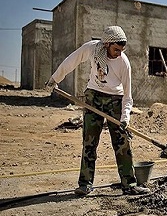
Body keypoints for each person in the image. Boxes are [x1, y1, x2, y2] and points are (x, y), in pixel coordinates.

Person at [46, 26, 150, 196]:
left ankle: (129, 185)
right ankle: (85, 184)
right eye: (116, 49)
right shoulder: (92, 49)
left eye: (121, 50)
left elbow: (128, 96)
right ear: (106, 44)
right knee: (89, 142)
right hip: (93, 98)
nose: (119, 53)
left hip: (115, 101)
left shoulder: (124, 63)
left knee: (122, 143)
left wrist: (125, 118)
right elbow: (71, 61)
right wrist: (55, 79)